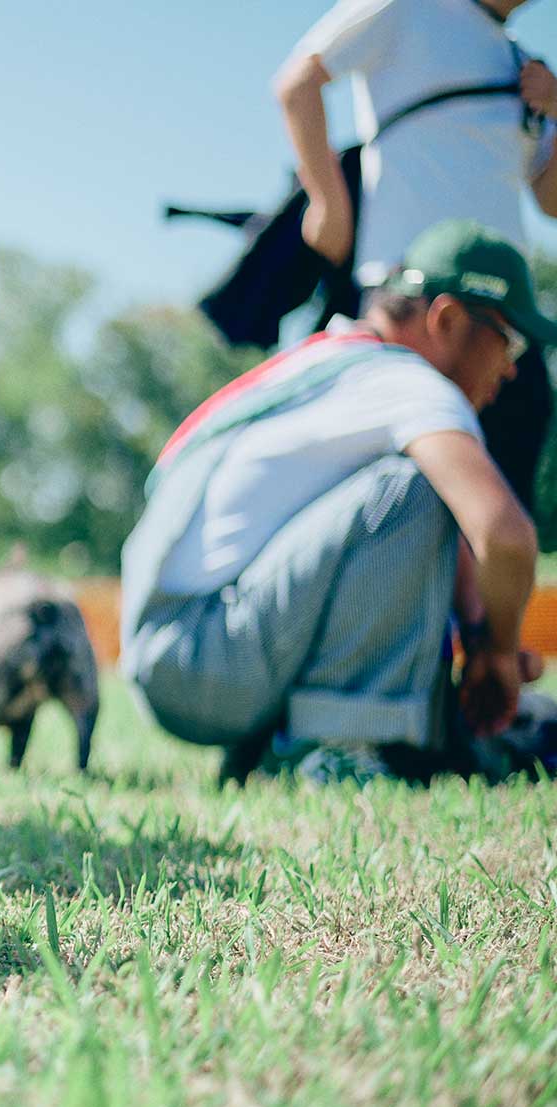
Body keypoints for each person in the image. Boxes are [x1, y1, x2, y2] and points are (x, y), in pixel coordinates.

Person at [121, 221, 547, 785]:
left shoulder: (334, 362)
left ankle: (280, 745)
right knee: (410, 488)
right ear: (445, 319)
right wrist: (497, 650)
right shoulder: (408, 382)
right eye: (509, 338)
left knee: (418, 490)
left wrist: (473, 629)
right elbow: (504, 535)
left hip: (184, 652)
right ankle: (339, 746)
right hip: (201, 657)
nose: (513, 367)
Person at [274, 0, 557, 506]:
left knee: (504, 498)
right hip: (409, 302)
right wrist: (328, 202)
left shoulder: (524, 66)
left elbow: (550, 200)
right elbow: (298, 82)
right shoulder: (407, 6)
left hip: (503, 317)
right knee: (390, 503)